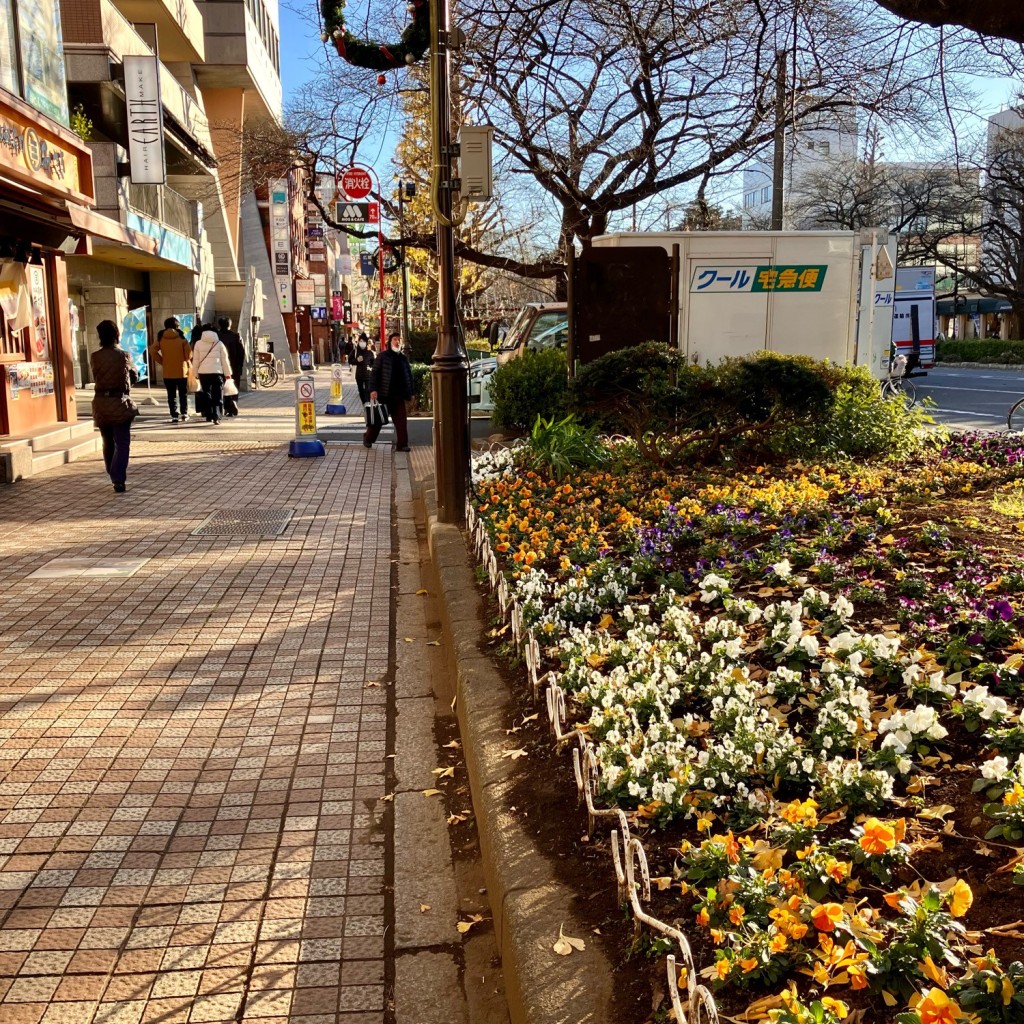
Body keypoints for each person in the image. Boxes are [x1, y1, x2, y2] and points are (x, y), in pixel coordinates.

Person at [90, 320, 137, 493]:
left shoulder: (94, 356)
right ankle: (118, 478)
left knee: (107, 441)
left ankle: (112, 472)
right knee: (122, 442)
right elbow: (133, 375)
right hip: (119, 401)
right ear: (117, 334)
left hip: (101, 403)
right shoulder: (123, 355)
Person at [363, 333, 414, 452]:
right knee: (378, 421)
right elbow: (374, 374)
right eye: (395, 339)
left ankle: (402, 444)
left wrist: (411, 392)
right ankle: (368, 438)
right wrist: (373, 390)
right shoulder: (382, 356)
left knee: (401, 421)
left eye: (399, 340)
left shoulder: (403, 358)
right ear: (390, 341)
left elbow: (409, 376)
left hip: (399, 395)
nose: (397, 342)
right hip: (384, 394)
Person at [154, 317, 192, 423]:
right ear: (177, 326)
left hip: (168, 371)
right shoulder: (182, 339)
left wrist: (162, 361)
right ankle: (184, 413)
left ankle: (174, 415)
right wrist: (184, 359)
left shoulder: (161, 338)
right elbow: (189, 355)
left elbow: (152, 350)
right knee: (182, 393)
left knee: (171, 395)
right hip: (181, 371)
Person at [191, 328, 232, 424]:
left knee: (206, 393)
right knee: (217, 394)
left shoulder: (198, 343)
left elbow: (195, 360)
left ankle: (208, 415)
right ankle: (216, 416)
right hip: (217, 372)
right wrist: (228, 374)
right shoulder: (219, 343)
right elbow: (225, 361)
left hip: (203, 373)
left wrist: (195, 373)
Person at [217, 317, 245, 416]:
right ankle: (233, 402)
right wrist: (240, 365)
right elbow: (241, 352)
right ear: (230, 325)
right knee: (233, 386)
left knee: (222, 387)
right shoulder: (236, 336)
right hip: (234, 366)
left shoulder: (217, 336)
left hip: (220, 366)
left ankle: (225, 406)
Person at [353, 332, 375, 405]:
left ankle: (367, 403)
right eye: (360, 341)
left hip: (367, 374)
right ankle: (364, 403)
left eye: (363, 341)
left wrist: (370, 367)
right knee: (361, 390)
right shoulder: (355, 351)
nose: (362, 343)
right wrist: (357, 360)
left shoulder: (370, 353)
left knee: (367, 389)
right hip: (359, 375)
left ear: (366, 342)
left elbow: (373, 363)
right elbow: (350, 360)